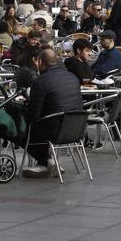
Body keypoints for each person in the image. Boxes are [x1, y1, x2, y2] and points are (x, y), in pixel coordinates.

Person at [23, 48, 83, 177]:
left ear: (39, 62)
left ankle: (46, 161)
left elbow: (33, 114)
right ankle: (46, 162)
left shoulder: (41, 81)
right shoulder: (72, 77)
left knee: (22, 129)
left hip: (55, 130)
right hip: (76, 129)